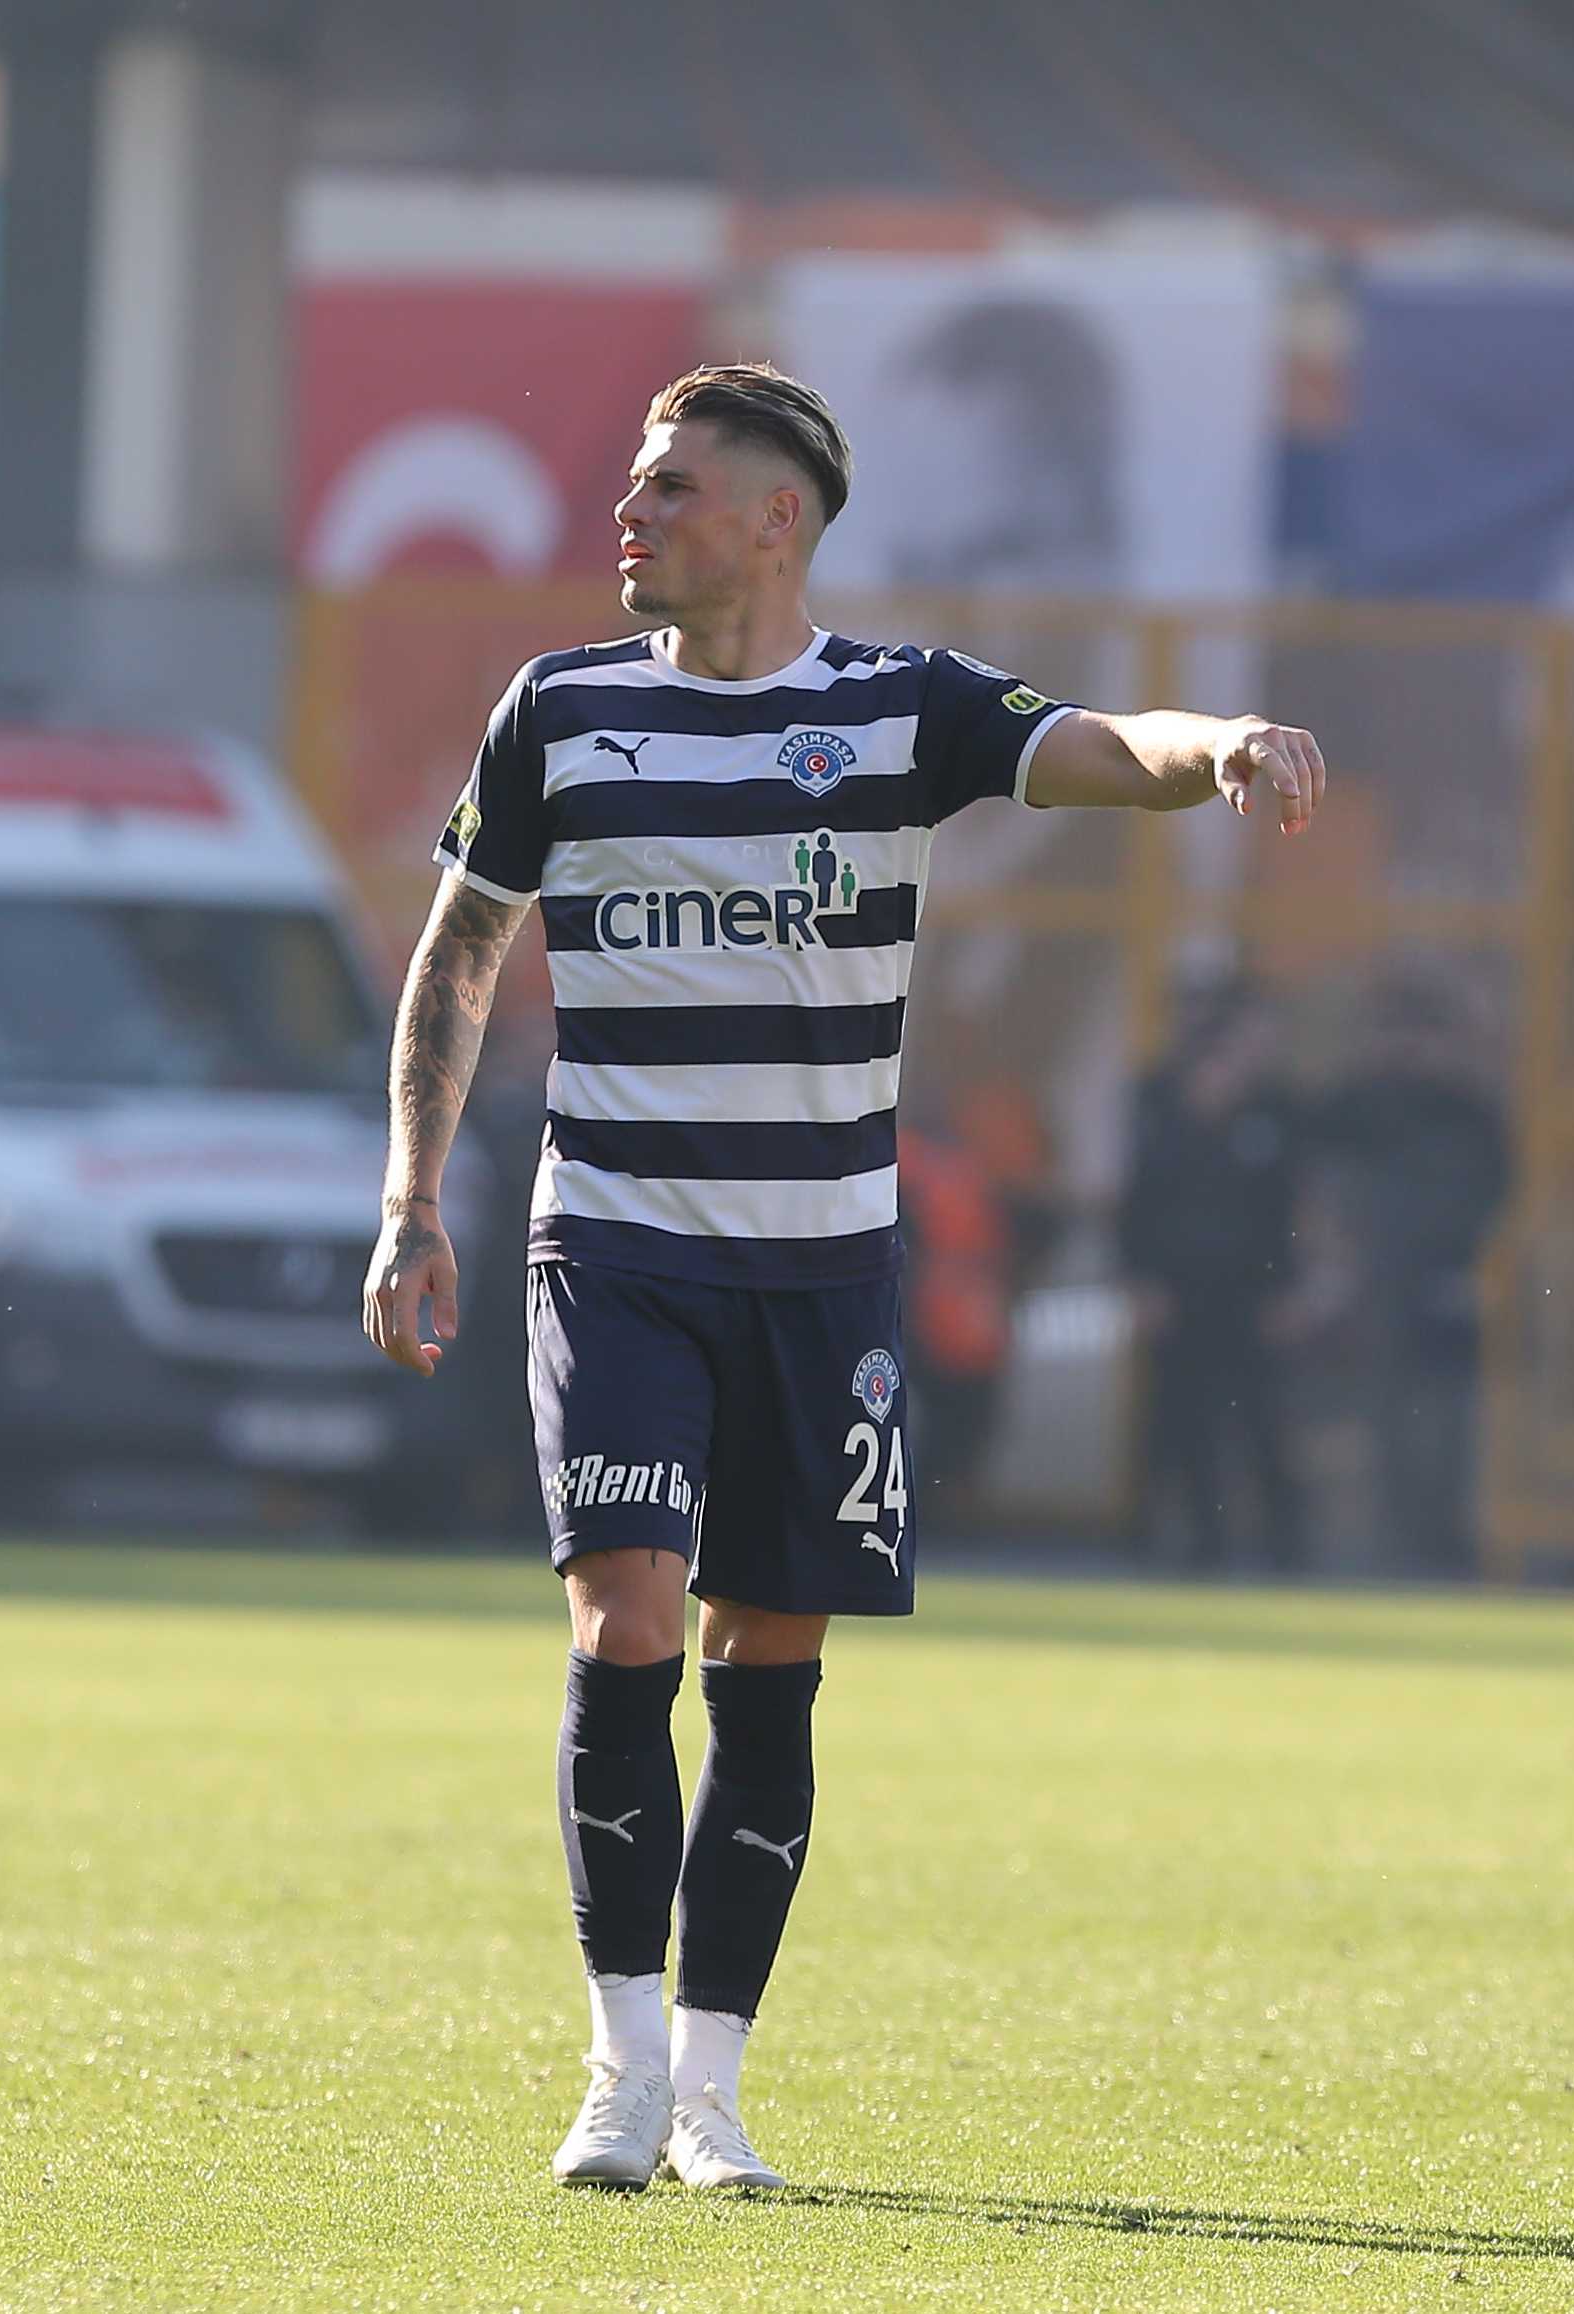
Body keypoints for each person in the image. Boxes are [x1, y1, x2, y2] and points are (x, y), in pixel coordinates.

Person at [362, 364, 1326, 2194]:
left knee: (767, 1660)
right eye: (635, 481)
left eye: (669, 484)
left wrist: (1218, 742)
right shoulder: (560, 711)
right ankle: (619, 2068)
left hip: (819, 1269)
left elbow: (1101, 745)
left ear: (774, 519)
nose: (631, 511)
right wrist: (412, 1193)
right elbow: (459, 954)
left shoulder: (897, 707)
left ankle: (712, 2088)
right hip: (619, 1244)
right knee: (627, 1617)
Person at [1317, 985, 1508, 1575]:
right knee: (1381, 1413)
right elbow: (1319, 1193)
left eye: (1421, 1034)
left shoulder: (1470, 1112)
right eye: (1396, 1032)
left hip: (1452, 1280)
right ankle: (1387, 1541)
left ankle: (1443, 1539)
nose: (1408, 1048)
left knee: (1453, 1416)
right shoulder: (1350, 1109)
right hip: (1373, 1284)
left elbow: (1500, 1197)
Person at [1120, 992, 1304, 1573]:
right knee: (1181, 1418)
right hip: (1180, 1295)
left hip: (1247, 1295)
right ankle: (1198, 1539)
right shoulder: (1161, 1127)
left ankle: (1285, 1543)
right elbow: (1135, 1212)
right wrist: (1141, 1282)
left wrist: (1284, 1290)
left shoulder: (1265, 1125)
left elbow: (1281, 1218)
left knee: (1259, 1417)